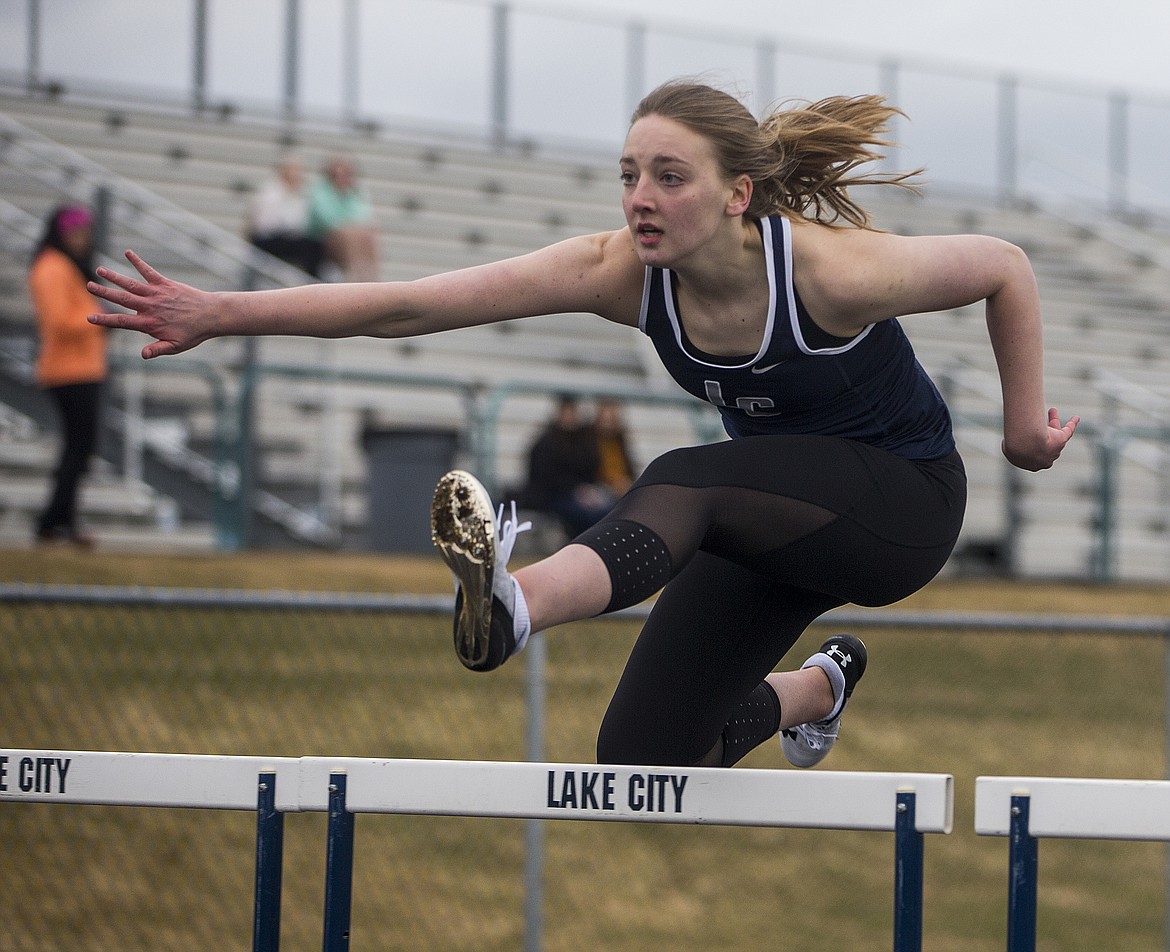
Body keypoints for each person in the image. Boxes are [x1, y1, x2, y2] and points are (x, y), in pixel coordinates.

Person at [87, 80, 1079, 771]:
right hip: (772, 523)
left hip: (903, 508)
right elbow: (413, 305)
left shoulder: (826, 269)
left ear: (738, 195)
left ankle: (510, 605)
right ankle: (817, 690)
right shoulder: (618, 272)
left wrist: (1025, 430)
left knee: (688, 473)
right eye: (628, 174)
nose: (640, 198)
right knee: (645, 753)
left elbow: (1004, 267)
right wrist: (221, 312)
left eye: (669, 177)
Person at [30, 203, 108, 547]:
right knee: (77, 448)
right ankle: (55, 520)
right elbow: (58, 321)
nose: (82, 240)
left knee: (79, 448)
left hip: (82, 368)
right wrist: (100, 320)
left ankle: (60, 519)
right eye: (75, 233)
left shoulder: (64, 267)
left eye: (85, 234)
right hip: (68, 370)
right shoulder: (51, 268)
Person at [521, 394, 617, 536]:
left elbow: (591, 469)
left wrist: (587, 490)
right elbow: (545, 478)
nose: (569, 417)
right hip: (553, 497)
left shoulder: (584, 441)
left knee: (609, 510)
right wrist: (576, 490)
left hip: (579, 496)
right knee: (588, 515)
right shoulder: (547, 442)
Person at [247, 154, 325, 278]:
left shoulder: (302, 194)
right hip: (269, 239)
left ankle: (312, 281)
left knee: (315, 246)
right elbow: (266, 224)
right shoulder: (271, 193)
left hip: (290, 238)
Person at [307, 154, 380, 282]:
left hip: (350, 237)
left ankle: (370, 279)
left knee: (366, 236)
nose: (342, 178)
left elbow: (364, 217)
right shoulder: (319, 191)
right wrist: (349, 226)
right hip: (322, 241)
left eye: (346, 174)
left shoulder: (356, 193)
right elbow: (327, 220)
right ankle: (356, 279)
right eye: (337, 175)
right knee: (350, 235)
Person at [591, 397, 637, 498]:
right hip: (601, 488)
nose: (608, 425)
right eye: (605, 420)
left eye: (611, 420)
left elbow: (628, 468)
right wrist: (615, 485)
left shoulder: (619, 440)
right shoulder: (591, 441)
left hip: (623, 485)